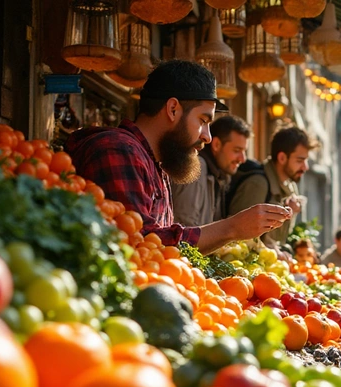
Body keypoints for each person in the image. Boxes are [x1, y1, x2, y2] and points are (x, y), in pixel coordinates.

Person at [65, 60, 290, 254]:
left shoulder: (155, 164)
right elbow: (141, 244)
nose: (208, 137)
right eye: (203, 121)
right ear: (173, 109)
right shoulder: (117, 150)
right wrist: (232, 228)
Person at [227, 125, 316, 256]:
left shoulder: (289, 188)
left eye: (306, 160)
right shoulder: (258, 184)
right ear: (282, 158)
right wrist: (272, 251)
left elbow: (278, 239)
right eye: (299, 160)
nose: (305, 167)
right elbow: (237, 235)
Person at [172, 115, 251, 226]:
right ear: (216, 144)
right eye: (237, 150)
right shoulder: (196, 169)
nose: (243, 159)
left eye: (244, 151)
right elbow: (185, 228)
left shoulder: (219, 175)